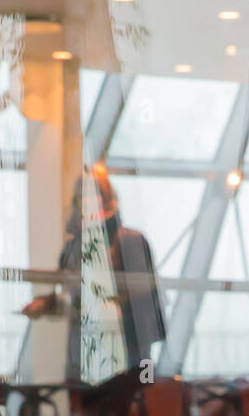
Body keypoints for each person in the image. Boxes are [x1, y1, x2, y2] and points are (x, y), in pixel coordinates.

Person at [22, 161, 167, 381]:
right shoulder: (74, 247)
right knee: (86, 405)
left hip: (128, 345)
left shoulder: (130, 241)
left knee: (134, 400)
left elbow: (144, 294)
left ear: (107, 199)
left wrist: (106, 304)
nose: (88, 201)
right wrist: (46, 303)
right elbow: (69, 294)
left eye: (95, 194)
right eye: (83, 196)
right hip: (84, 347)